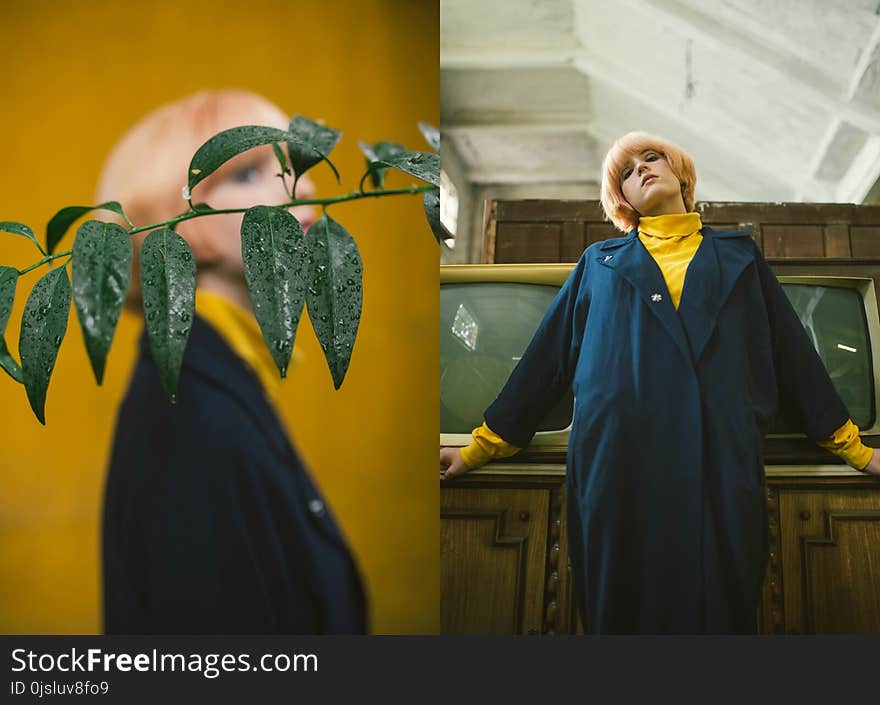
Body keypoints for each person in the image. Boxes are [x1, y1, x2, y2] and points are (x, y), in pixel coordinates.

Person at [439, 131, 880, 634]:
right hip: (616, 464)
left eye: (652, 157)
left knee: (720, 610)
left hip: (719, 460)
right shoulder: (599, 264)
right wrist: (477, 448)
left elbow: (794, 358)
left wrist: (858, 451)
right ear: (621, 199)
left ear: (680, 172)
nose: (642, 169)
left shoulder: (739, 256)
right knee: (618, 612)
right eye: (626, 171)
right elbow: (543, 366)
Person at [100, 90, 366, 634]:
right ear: (183, 219)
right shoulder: (189, 416)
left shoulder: (218, 379)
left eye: (292, 167)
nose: (306, 189)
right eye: (248, 174)